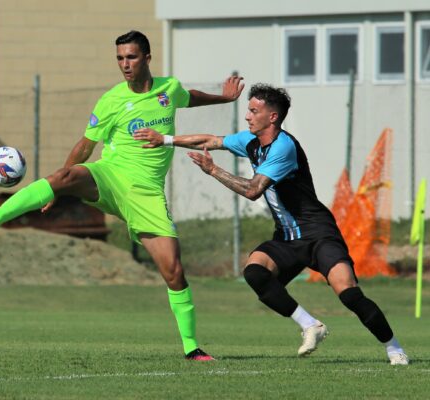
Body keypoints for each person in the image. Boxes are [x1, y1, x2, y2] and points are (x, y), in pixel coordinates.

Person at [0, 30, 244, 360]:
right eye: (120, 58)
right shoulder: (110, 101)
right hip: (109, 175)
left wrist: (223, 98)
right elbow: (85, 146)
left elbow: (187, 97)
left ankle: (191, 348)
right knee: (68, 175)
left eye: (131, 57)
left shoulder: (169, 88)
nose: (125, 64)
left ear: (147, 58)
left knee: (174, 271)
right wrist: (57, 187)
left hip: (147, 194)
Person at [132, 83, 409, 365]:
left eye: (254, 111)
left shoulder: (283, 147)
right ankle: (311, 324)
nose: (248, 116)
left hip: (318, 234)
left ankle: (394, 348)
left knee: (348, 294)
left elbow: (253, 190)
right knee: (255, 272)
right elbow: (210, 140)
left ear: (272, 117)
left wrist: (214, 170)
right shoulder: (251, 142)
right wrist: (165, 139)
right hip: (287, 238)